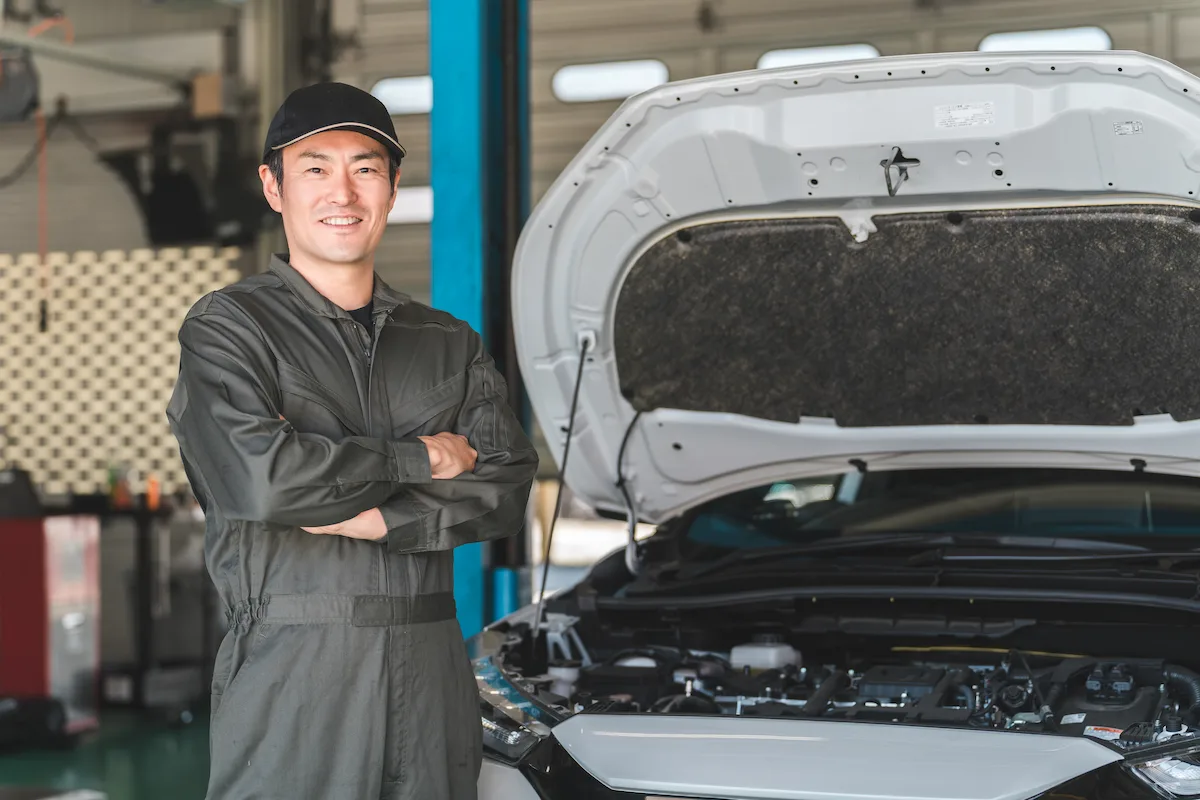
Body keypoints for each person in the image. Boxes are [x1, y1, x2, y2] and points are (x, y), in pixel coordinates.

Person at [166, 82, 538, 800]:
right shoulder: (228, 329)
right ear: (273, 186)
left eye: (365, 168)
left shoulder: (446, 341)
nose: (343, 190)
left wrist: (385, 518)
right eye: (315, 167)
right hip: (294, 668)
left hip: (432, 671)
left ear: (393, 187)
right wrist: (422, 457)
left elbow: (506, 486)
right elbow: (267, 484)